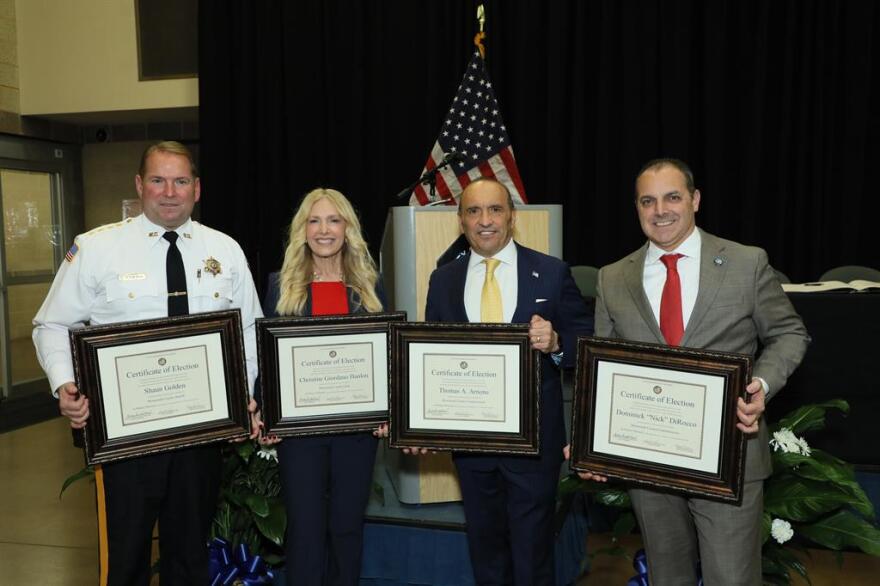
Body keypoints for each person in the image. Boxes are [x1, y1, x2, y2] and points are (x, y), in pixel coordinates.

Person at [32, 141, 264, 585]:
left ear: (197, 189)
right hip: (126, 437)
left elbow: (249, 331)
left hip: (201, 432)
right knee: (126, 555)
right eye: (158, 180)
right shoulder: (98, 248)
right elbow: (52, 325)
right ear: (140, 185)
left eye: (180, 181)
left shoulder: (225, 250)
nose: (169, 192)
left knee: (189, 554)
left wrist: (245, 392)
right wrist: (65, 385)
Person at [581, 158, 809, 585]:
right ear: (636, 207)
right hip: (648, 461)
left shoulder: (746, 262)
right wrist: (590, 443)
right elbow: (604, 369)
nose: (660, 210)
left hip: (730, 455)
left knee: (731, 578)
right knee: (667, 577)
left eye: (672, 197)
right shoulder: (613, 278)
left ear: (695, 200)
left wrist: (759, 385)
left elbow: (790, 334)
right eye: (648, 201)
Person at [419, 178, 593, 585]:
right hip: (472, 444)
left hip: (535, 445)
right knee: (487, 553)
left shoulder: (551, 272)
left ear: (512, 216)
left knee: (533, 556)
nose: (485, 221)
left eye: (495, 210)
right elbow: (431, 356)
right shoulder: (443, 280)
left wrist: (555, 343)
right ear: (460, 221)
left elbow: (587, 343)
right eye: (474, 211)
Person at [261, 187, 386, 586]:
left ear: (348, 228)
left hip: (356, 432)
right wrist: (267, 410)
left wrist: (388, 411)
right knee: (306, 530)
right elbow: (268, 358)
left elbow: (385, 357)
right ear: (303, 230)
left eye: (334, 220)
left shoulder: (369, 287)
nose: (324, 229)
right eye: (314, 221)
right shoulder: (280, 286)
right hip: (300, 433)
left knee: (347, 527)